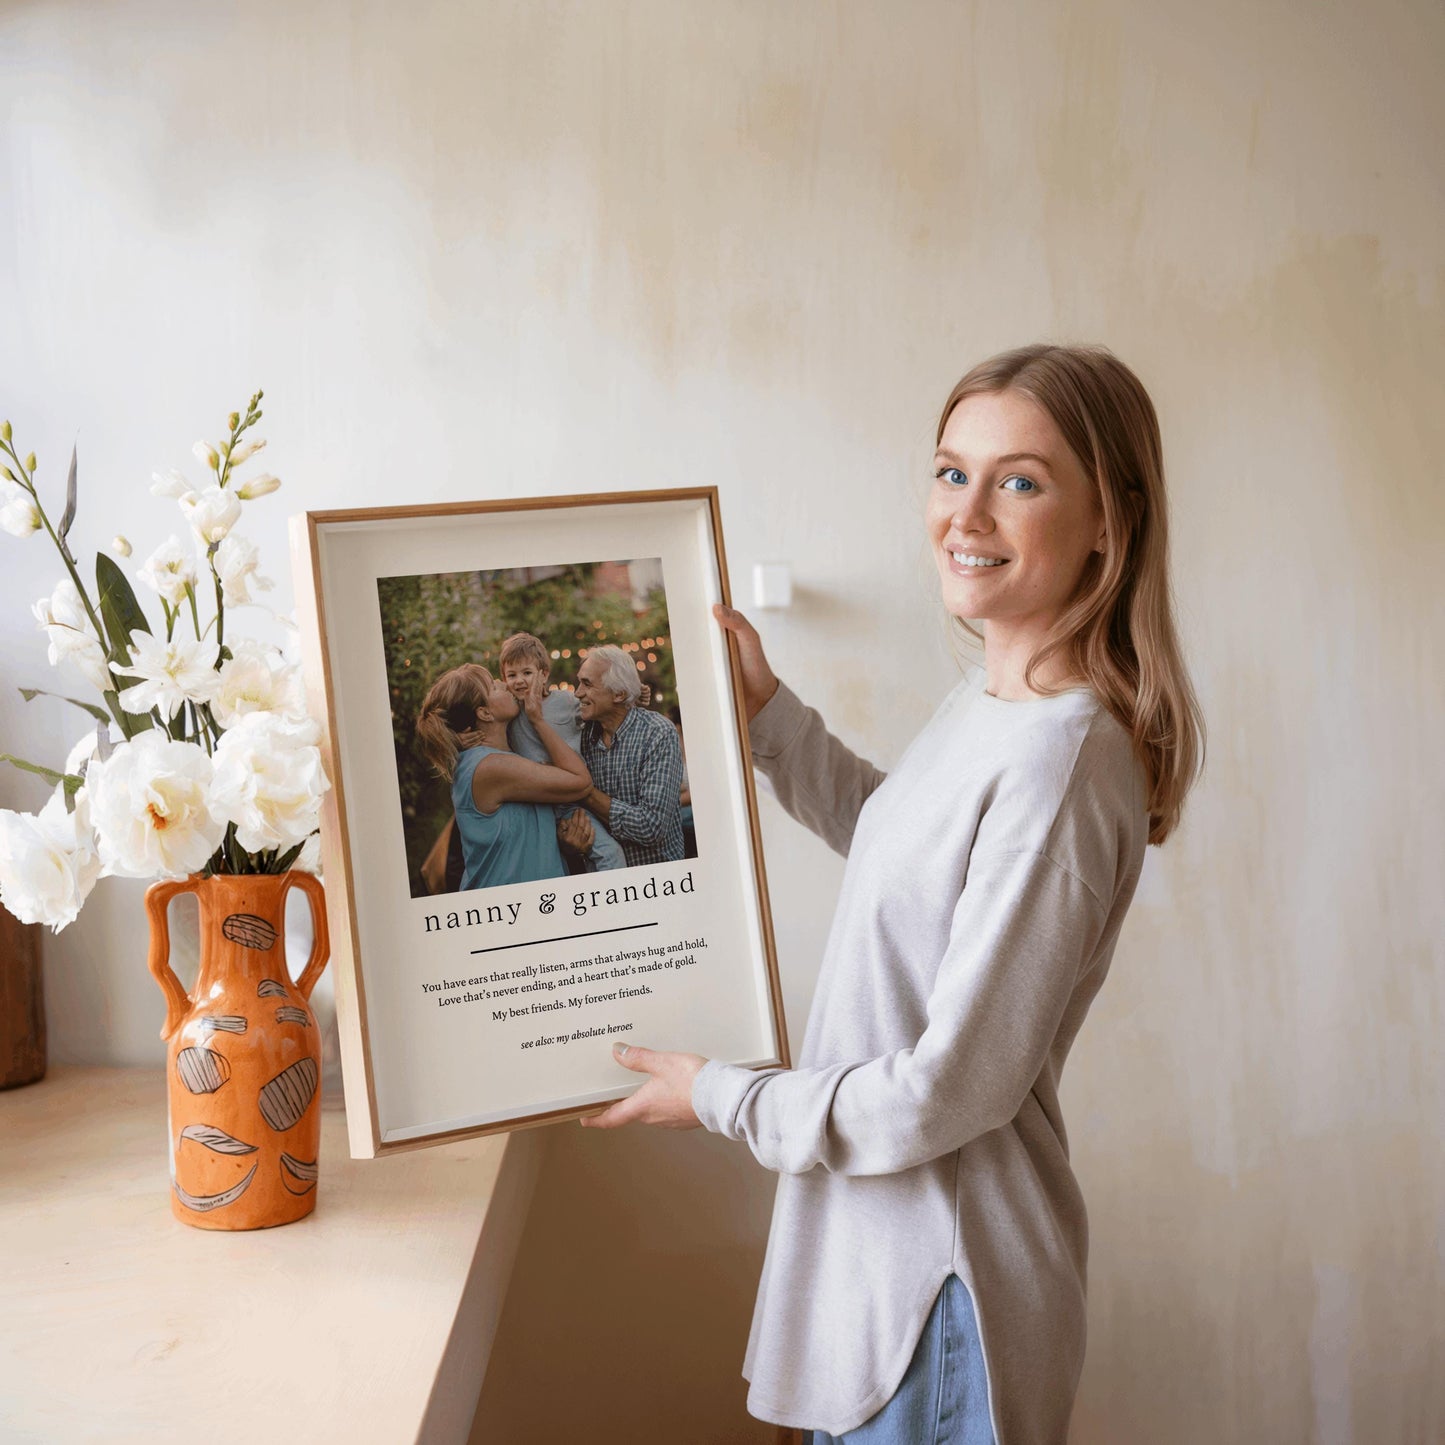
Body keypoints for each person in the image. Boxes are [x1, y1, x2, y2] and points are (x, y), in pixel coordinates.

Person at [578, 344, 1205, 1445]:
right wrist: (768, 715)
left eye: (1019, 479)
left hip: (941, 1281)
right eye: (949, 471)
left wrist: (721, 1095)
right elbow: (896, 847)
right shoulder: (992, 702)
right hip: (886, 1261)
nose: (965, 513)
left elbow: (942, 1092)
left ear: (1109, 518)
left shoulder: (1060, 761)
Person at [415, 662, 591, 891]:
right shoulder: (490, 767)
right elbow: (581, 782)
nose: (503, 683)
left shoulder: (498, 758)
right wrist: (537, 719)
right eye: (493, 686)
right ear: (485, 713)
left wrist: (563, 844)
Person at [496, 631, 627, 872]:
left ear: (544, 674)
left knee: (611, 854)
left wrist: (635, 698)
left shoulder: (565, 702)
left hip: (569, 802)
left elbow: (598, 706)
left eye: (527, 673)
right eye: (511, 675)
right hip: (534, 806)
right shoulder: (510, 710)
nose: (519, 681)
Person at [574, 644, 686, 868]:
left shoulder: (658, 733)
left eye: (587, 684)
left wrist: (583, 792)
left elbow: (651, 827)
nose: (577, 692)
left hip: (660, 881)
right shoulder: (581, 735)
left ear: (619, 694)